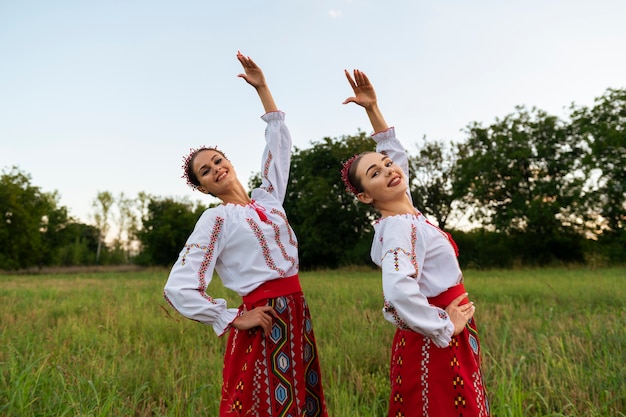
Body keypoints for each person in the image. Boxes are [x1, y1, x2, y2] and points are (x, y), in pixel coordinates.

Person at [164, 52, 328, 417]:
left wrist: (263, 89)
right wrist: (232, 317)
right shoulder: (216, 219)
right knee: (264, 405)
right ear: (204, 188)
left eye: (218, 160)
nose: (215, 169)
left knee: (299, 404)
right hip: (264, 317)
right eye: (205, 171)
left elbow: (279, 150)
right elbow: (178, 287)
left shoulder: (268, 201)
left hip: (297, 311)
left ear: (230, 161)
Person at [340, 69, 490, 417]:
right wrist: (443, 326)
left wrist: (372, 108)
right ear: (365, 196)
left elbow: (395, 155)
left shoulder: (410, 216)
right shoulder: (399, 228)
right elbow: (397, 290)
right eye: (375, 173)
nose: (389, 170)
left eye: (387, 165)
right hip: (434, 340)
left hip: (442, 334)